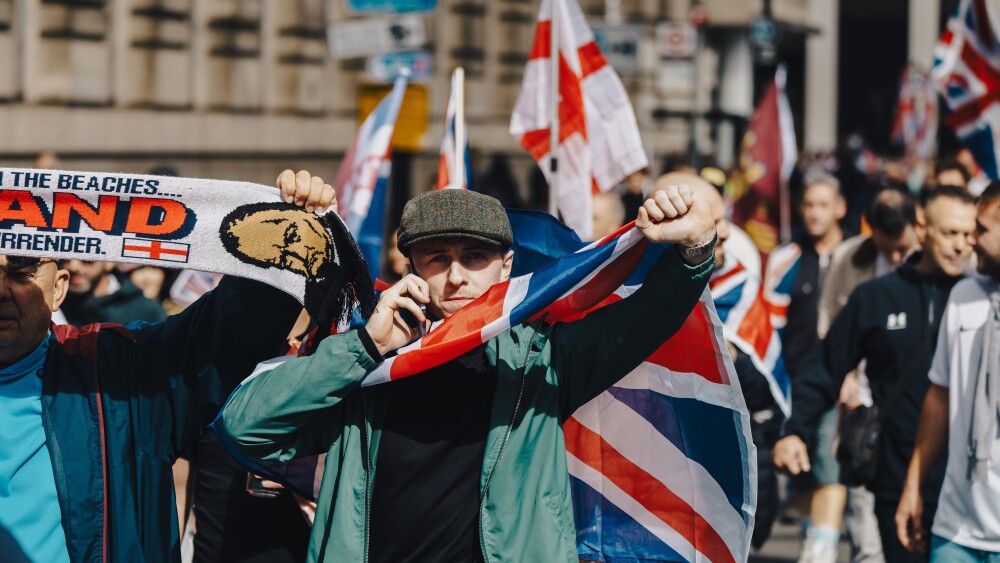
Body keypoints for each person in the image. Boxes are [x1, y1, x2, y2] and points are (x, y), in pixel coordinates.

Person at [219, 174, 718, 563]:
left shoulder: (542, 358)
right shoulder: (369, 359)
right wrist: (367, 347)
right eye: (437, 258)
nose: (456, 276)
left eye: (474, 256)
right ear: (410, 268)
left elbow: (644, 320)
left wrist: (694, 251)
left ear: (506, 265)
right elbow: (245, 428)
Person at [0, 171, 331, 561]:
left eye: (20, 270)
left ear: (58, 289)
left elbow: (222, 336)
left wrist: (286, 234)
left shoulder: (114, 376)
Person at [773, 185, 979, 563]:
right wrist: (795, 431)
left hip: (972, 488)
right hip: (896, 480)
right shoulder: (877, 296)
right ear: (922, 227)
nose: (961, 245)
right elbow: (825, 368)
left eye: (969, 234)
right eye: (950, 233)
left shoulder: (982, 297)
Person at [896, 183, 1000, 561]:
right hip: (956, 531)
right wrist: (913, 488)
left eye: (982, 230)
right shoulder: (963, 297)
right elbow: (939, 399)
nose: (971, 240)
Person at [815, 189, 920, 563]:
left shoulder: (929, 262)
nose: (894, 257)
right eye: (886, 248)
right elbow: (830, 322)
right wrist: (843, 374)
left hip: (909, 398)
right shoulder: (849, 258)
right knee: (860, 489)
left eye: (901, 249)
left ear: (916, 227)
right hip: (860, 398)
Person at [763, 171, 846, 562]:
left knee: (830, 460)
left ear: (840, 209)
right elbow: (770, 328)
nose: (814, 213)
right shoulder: (786, 258)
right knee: (801, 469)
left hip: (842, 384)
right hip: (795, 383)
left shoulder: (855, 255)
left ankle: (821, 549)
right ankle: (814, 533)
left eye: (823, 205)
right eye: (809, 205)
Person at [59, 260, 167, 325]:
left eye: (86, 258)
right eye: (65, 258)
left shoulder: (148, 311)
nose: (73, 266)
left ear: (109, 262)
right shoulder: (53, 306)